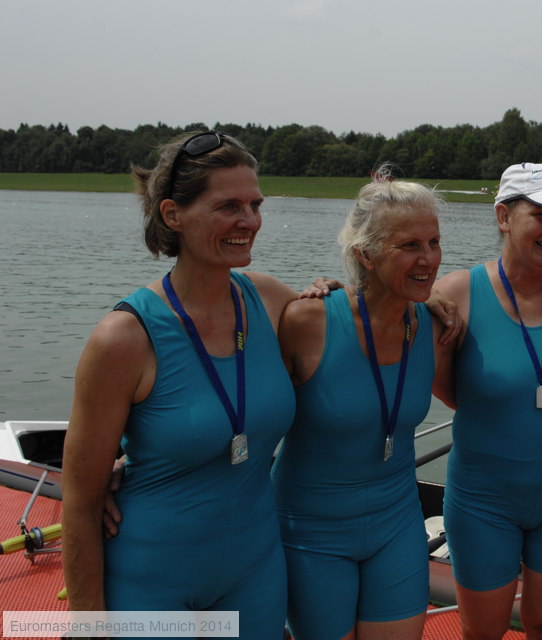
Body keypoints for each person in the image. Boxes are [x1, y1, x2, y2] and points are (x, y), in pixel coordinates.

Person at [62, 131, 298, 639]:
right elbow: (80, 501)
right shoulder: (123, 339)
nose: (250, 222)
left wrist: (431, 305)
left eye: (255, 205)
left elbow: (362, 331)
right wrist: (89, 627)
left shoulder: (271, 299)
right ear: (173, 215)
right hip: (150, 581)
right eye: (228, 206)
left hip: (256, 574)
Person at [272, 177, 448, 640]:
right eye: (409, 245)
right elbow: (242, 410)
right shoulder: (307, 320)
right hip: (311, 533)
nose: (428, 258)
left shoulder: (435, 323)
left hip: (397, 526)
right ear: (364, 255)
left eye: (434, 242)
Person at [433, 163, 542, 640]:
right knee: (484, 633)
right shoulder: (456, 293)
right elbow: (446, 391)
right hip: (485, 500)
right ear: (503, 216)